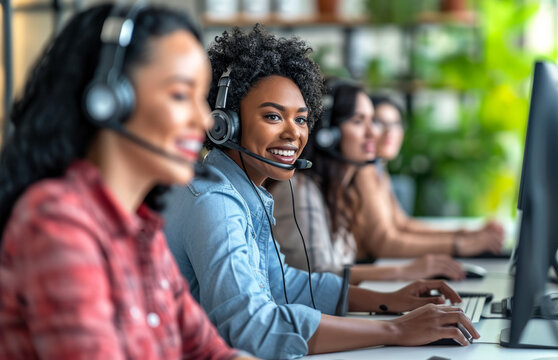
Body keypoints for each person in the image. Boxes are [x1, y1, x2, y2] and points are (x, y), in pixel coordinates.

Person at [163, 26, 479, 360]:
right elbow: (252, 328)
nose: (293, 134)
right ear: (226, 124)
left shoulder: (242, 194)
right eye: (273, 116)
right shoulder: (215, 202)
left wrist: (388, 301)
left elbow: (284, 283)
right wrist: (396, 330)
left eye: (300, 120)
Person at [0, 4, 250, 359]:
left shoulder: (141, 230)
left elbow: (211, 352)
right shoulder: (56, 223)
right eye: (181, 95)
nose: (205, 120)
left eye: (202, 99)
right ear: (111, 99)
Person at [269, 84, 467, 283]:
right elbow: (316, 279)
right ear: (327, 135)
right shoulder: (300, 190)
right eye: (358, 121)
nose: (374, 132)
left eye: (372, 121)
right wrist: (404, 272)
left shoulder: (341, 192)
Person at [347, 94, 505, 260]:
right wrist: (459, 245)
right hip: (361, 272)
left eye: (396, 124)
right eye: (379, 123)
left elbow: (402, 224)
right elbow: (385, 243)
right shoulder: (363, 170)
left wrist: (466, 234)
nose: (390, 132)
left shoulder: (378, 169)